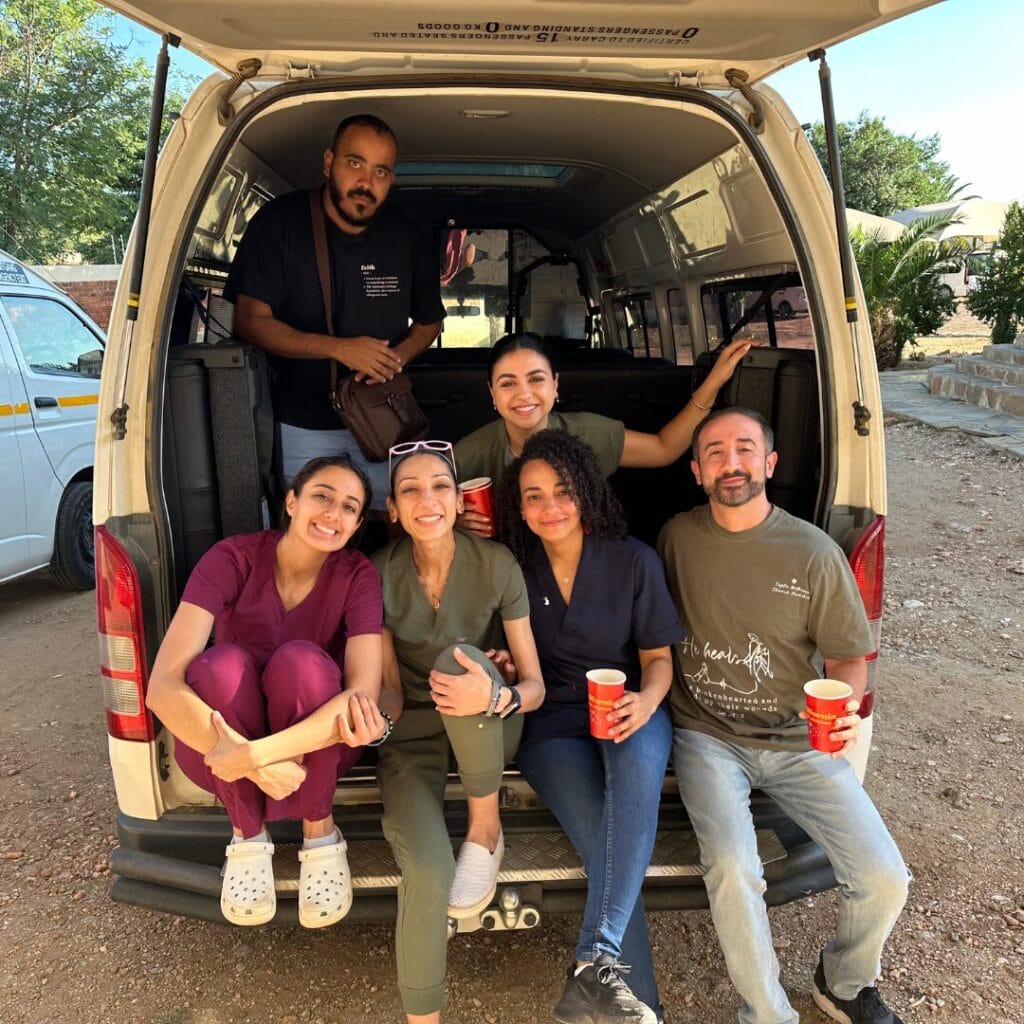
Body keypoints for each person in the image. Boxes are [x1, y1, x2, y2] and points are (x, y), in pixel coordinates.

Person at [656, 408, 910, 1024]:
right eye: (714, 452)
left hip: (799, 739)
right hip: (707, 736)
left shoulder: (814, 552)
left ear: (769, 463)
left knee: (884, 877)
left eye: (745, 449)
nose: (731, 462)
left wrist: (845, 710)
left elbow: (850, 657)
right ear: (696, 471)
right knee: (734, 869)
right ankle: (767, 1014)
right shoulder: (675, 539)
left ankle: (845, 982)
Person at [145, 455, 387, 928]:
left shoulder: (358, 575)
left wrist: (254, 756)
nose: (333, 514)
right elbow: (162, 687)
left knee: (302, 662)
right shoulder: (233, 557)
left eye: (349, 507)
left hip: (315, 747)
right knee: (220, 666)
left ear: (357, 525)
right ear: (292, 502)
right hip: (218, 741)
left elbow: (363, 696)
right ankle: (248, 836)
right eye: (322, 496)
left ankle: (320, 831)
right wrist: (232, 750)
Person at [497, 430, 683, 1024]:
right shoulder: (511, 568)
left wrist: (648, 702)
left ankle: (599, 969)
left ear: (587, 494)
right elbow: (502, 651)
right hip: (551, 722)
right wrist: (502, 660)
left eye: (563, 491)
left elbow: (659, 661)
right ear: (517, 506)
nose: (549, 507)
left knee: (628, 804)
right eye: (533, 496)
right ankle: (624, 996)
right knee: (609, 839)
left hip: (629, 707)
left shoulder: (633, 559)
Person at [371, 439, 545, 1023]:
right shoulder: (377, 573)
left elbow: (535, 686)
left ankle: (485, 827)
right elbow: (389, 687)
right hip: (414, 737)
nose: (428, 499)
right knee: (426, 868)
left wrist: (496, 690)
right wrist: (372, 719)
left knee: (460, 661)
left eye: (440, 486)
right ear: (393, 509)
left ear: (459, 498)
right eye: (410, 490)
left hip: (489, 722)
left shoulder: (496, 563)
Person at [225, 113, 446, 508]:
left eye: (381, 171)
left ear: (391, 179)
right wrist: (339, 348)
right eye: (354, 163)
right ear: (329, 162)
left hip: (383, 419)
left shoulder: (406, 236)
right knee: (315, 527)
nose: (366, 182)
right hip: (301, 421)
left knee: (395, 518)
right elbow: (248, 320)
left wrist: (391, 360)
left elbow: (430, 322)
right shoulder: (279, 224)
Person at [454, 331, 755, 534]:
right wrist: (455, 524)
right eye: (508, 384)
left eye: (536, 379)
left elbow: (664, 449)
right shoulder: (469, 453)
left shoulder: (588, 433)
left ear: (555, 385)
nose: (524, 394)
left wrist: (713, 383)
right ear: (492, 394)